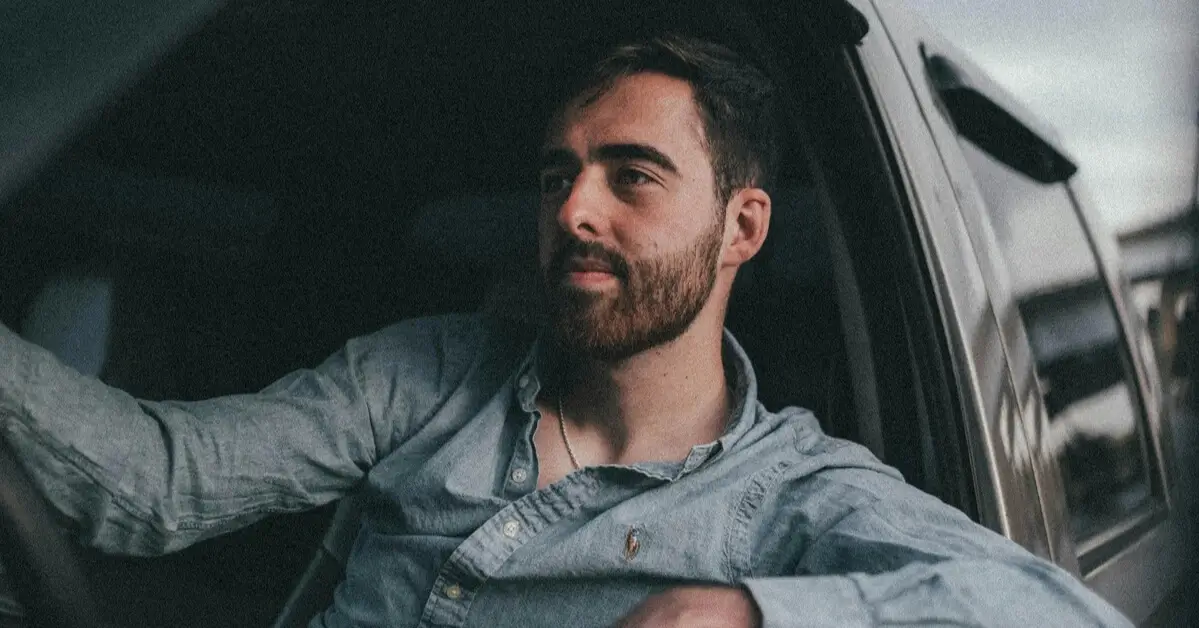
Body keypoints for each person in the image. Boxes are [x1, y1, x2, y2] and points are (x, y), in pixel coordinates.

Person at [0, 33, 1132, 628]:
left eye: (629, 174)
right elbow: (157, 479)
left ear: (741, 226)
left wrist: (749, 611)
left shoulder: (797, 498)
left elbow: (1051, 613)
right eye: (557, 176)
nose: (571, 210)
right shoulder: (428, 370)